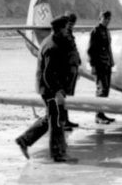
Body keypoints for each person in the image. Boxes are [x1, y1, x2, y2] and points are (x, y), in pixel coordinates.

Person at [15, 16, 76, 162]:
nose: (68, 30)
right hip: (49, 88)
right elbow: (48, 74)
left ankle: (24, 140)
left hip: (49, 87)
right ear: (60, 29)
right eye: (66, 28)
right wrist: (57, 92)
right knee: (56, 120)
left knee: (52, 117)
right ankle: (58, 155)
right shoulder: (51, 47)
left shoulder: (53, 41)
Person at [87, 10, 115, 124]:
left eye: (109, 19)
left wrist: (111, 60)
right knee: (101, 89)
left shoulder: (107, 31)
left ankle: (102, 113)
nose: (107, 21)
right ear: (100, 19)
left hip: (106, 64)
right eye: (105, 18)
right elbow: (90, 50)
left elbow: (108, 48)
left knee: (106, 89)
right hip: (99, 64)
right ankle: (98, 116)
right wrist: (93, 66)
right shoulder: (95, 31)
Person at [63, 12, 80, 129]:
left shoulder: (70, 34)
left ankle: (66, 119)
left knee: (69, 96)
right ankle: (63, 121)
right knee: (64, 95)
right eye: (69, 23)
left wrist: (78, 62)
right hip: (66, 69)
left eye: (73, 23)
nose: (71, 25)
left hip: (73, 68)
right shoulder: (62, 35)